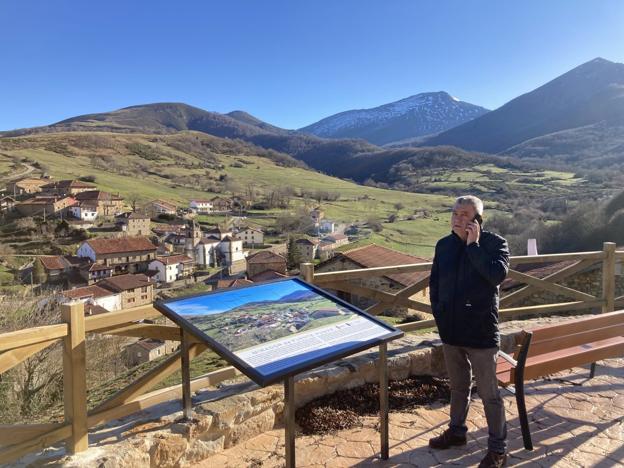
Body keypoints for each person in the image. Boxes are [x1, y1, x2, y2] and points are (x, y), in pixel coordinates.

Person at [428, 195, 510, 468]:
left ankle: (497, 450)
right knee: (458, 387)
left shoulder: (495, 244)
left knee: (490, 395)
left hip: (481, 332)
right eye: (455, 212)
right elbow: (435, 283)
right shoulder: (443, 245)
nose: (458, 218)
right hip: (451, 330)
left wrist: (473, 246)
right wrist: (439, 313)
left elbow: (496, 276)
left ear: (478, 220)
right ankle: (456, 432)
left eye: (465, 214)